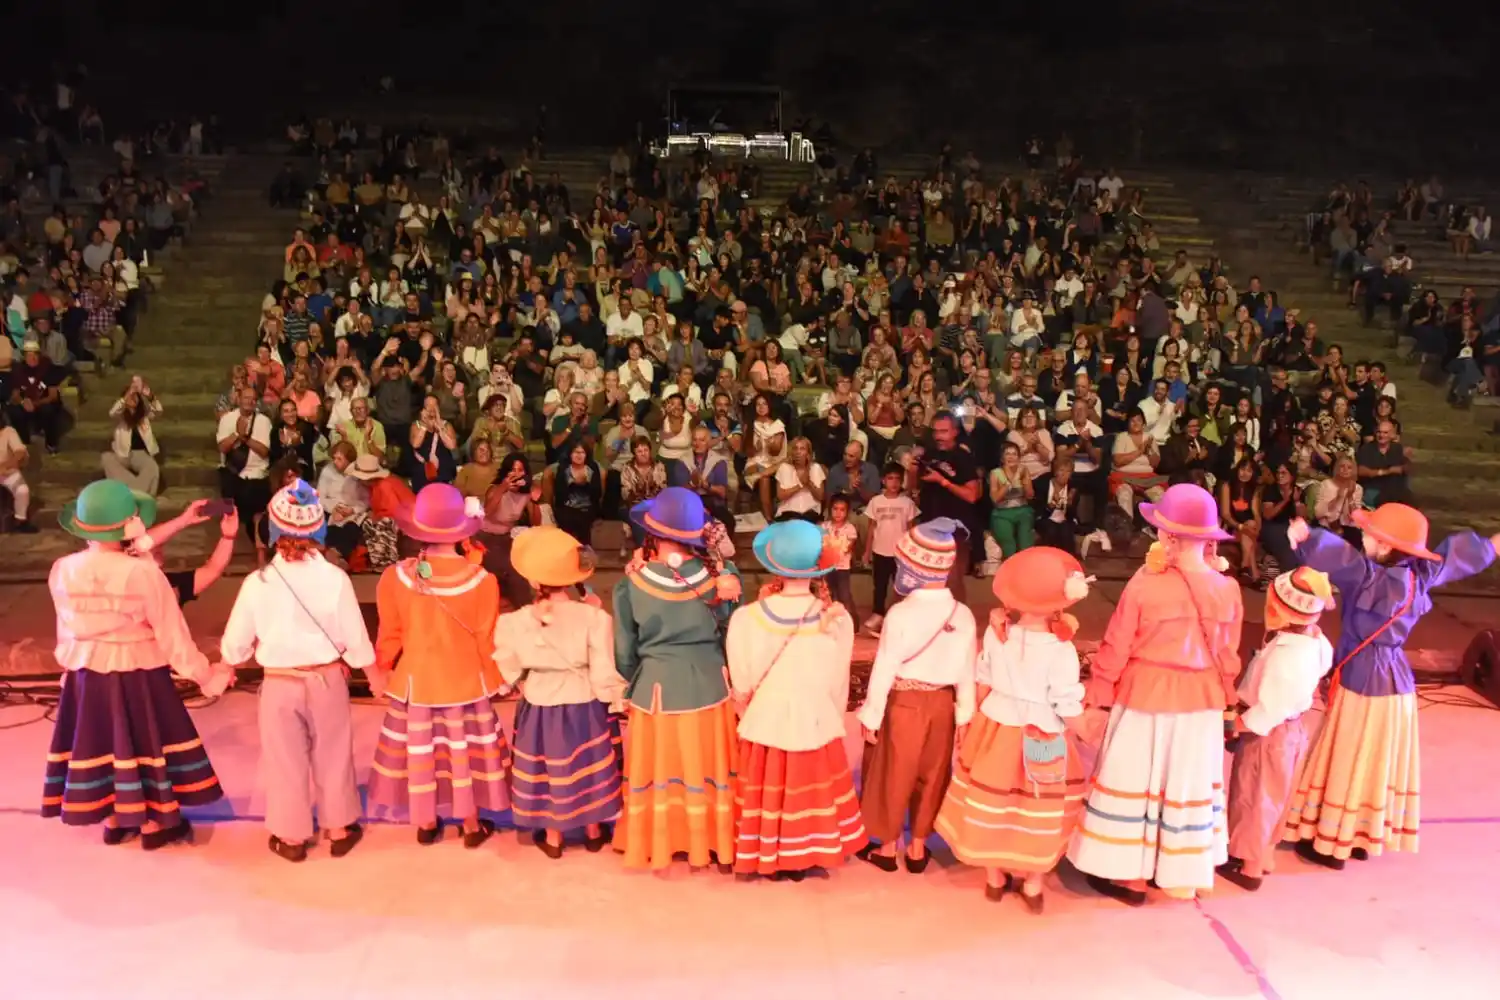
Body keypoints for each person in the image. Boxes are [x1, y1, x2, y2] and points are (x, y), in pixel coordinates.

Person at [1282, 507, 1500, 868]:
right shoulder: (1420, 575)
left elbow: (1339, 556)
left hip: (1362, 679)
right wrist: (1492, 547)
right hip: (1396, 680)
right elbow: (1455, 558)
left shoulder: (1368, 577)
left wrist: (1305, 537)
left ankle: (1329, 844)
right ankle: (1361, 836)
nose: (1362, 537)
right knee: (1376, 759)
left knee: (1349, 755)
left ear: (1385, 546)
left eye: (1370, 533)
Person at [1070, 483, 1243, 905]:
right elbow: (1228, 656)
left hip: (1145, 696)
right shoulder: (1227, 589)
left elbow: (1117, 645)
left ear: (1167, 536)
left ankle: (1130, 878)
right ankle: (1181, 874)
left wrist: (1099, 696)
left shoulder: (1146, 583)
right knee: (1186, 787)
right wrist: (1227, 701)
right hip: (1200, 703)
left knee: (1133, 782)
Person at [41, 480, 232, 848]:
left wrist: (69, 671)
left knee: (104, 744)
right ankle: (153, 825)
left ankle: (115, 818)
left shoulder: (63, 568)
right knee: (145, 743)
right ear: (129, 524)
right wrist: (210, 678)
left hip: (86, 674)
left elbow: (66, 630)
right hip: (138, 673)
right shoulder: (144, 574)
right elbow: (174, 638)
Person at [220, 480, 374, 862]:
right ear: (318, 529)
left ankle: (291, 837)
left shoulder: (257, 583)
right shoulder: (335, 579)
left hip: (279, 683)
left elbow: (236, 644)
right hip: (326, 678)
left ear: (272, 531)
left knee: (284, 760)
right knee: (334, 753)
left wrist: (227, 664)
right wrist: (372, 673)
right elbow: (354, 637)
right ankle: (338, 827)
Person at [935, 547, 1092, 913]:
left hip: (995, 725)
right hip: (1042, 731)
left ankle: (993, 876)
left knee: (992, 799)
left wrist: (972, 718)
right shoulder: (1060, 649)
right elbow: (1065, 701)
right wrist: (1085, 728)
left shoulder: (997, 634)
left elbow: (984, 678)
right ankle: (1033, 882)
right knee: (1036, 804)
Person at [366, 484, 509, 848]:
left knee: (424, 753)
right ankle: (471, 824)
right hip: (465, 685)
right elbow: (485, 639)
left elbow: (390, 635)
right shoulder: (482, 581)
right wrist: (499, 679)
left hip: (417, 683)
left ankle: (427, 822)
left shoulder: (396, 577)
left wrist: (381, 671)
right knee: (463, 754)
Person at [725, 521, 866, 880]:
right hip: (814, 718)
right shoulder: (836, 619)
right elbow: (838, 683)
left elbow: (741, 680)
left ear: (775, 567)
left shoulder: (748, 617)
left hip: (766, 717)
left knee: (768, 789)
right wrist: (830, 714)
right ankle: (809, 854)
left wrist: (745, 709)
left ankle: (769, 853)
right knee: (812, 791)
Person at [612, 487, 743, 871]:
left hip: (657, 690)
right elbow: (732, 632)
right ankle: (712, 842)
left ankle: (660, 840)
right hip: (710, 685)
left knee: (662, 768)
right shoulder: (724, 579)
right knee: (708, 766)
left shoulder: (630, 584)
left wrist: (641, 672)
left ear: (652, 531)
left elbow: (624, 654)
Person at [855, 517, 978, 873]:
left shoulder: (900, 612)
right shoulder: (964, 614)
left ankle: (888, 846)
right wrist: (965, 718)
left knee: (893, 772)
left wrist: (873, 715)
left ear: (912, 567)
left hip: (903, 703)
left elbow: (885, 666)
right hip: (943, 704)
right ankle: (918, 848)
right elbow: (966, 672)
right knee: (933, 773)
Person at [496, 526, 626, 858]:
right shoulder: (593, 615)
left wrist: (515, 681)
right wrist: (615, 701)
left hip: (540, 701)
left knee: (551, 767)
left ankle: (553, 837)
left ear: (534, 580)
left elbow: (507, 667)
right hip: (585, 700)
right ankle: (594, 831)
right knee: (589, 763)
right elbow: (603, 667)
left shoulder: (515, 621)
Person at [1216, 568, 1335, 891]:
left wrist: (1232, 726)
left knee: (1255, 797)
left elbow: (1269, 710)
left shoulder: (1288, 657)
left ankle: (1249, 868)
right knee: (1275, 797)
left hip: (1269, 736)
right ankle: (1264, 856)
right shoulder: (1315, 640)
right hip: (1292, 731)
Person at [907, 413, 980, 599]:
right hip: (930, 524)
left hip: (956, 527)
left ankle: (959, 622)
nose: (939, 436)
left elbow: (972, 495)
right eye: (936, 432)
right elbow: (913, 489)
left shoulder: (963, 457)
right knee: (930, 579)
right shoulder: (929, 455)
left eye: (944, 432)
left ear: (955, 432)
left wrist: (943, 481)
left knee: (953, 580)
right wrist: (912, 471)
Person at [860, 466, 917, 635]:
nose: (894, 482)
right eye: (890, 478)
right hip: (880, 551)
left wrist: (912, 552)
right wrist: (867, 551)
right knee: (880, 586)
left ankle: (901, 618)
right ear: (883, 481)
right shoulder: (876, 501)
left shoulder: (907, 503)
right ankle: (878, 615)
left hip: (900, 553)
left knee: (901, 587)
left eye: (897, 479)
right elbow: (871, 528)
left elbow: (911, 529)